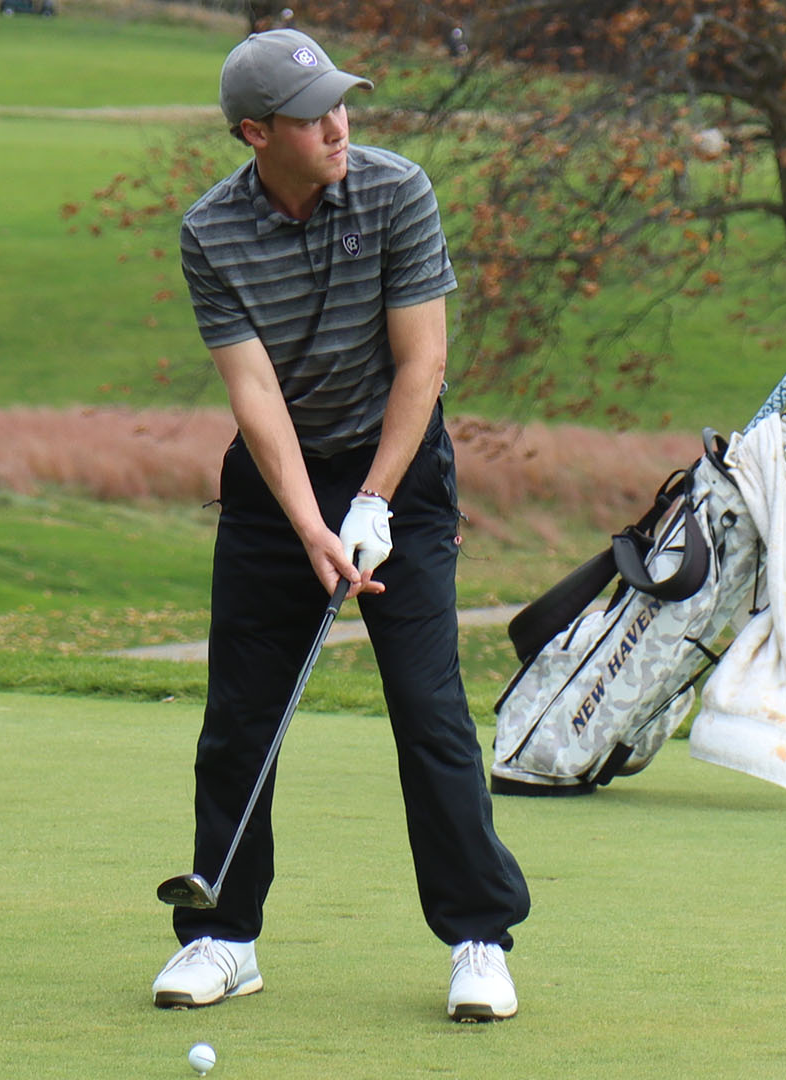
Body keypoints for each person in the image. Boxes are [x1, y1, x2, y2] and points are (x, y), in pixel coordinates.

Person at [151, 29, 530, 1022]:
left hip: (399, 470)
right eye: (313, 113)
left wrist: (370, 503)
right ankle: (224, 937)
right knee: (240, 718)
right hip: (280, 492)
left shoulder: (397, 190)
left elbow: (423, 367)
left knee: (428, 709)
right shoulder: (211, 232)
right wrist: (310, 522)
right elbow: (254, 395)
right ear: (254, 133)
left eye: (341, 103)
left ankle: (481, 938)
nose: (338, 124)